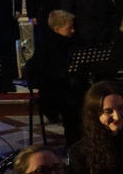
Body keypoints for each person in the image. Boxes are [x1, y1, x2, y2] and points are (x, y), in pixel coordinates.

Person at [24, 9, 82, 143]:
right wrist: (62, 74)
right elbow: (39, 77)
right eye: (69, 28)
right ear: (57, 29)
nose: (73, 31)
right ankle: (73, 144)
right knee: (73, 105)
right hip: (53, 92)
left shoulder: (73, 41)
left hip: (70, 87)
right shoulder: (46, 47)